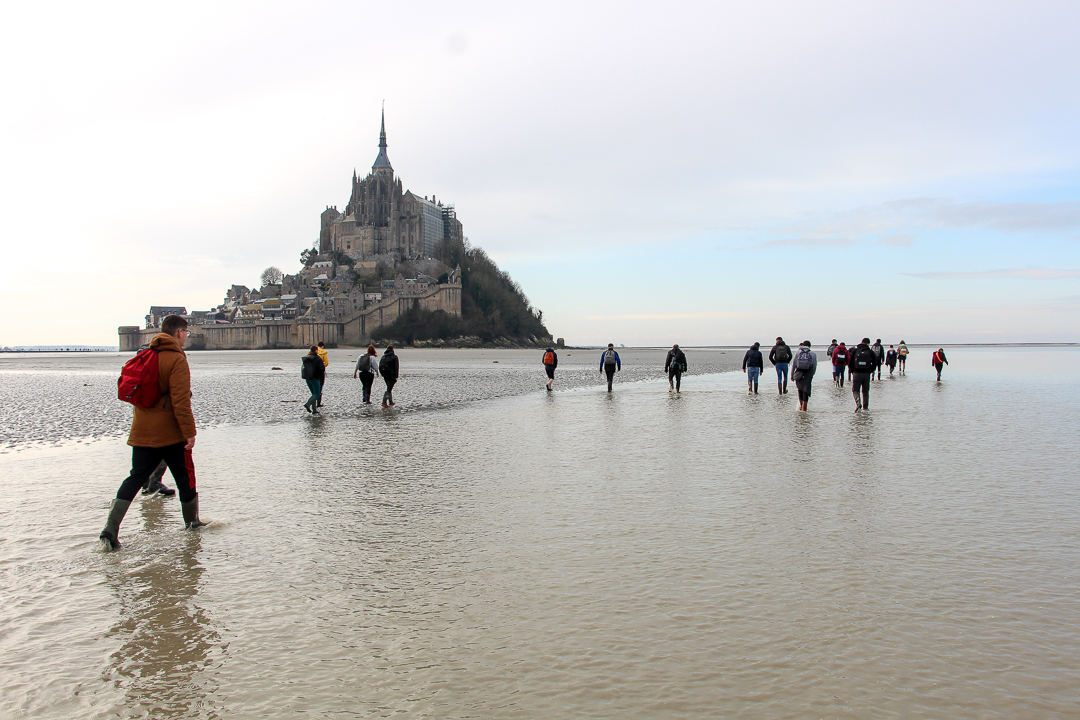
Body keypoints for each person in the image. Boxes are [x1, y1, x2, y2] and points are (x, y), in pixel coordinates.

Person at [99, 315, 206, 550]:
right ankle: (192, 524)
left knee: (135, 477)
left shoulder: (144, 355)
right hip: (171, 432)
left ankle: (110, 529)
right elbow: (180, 400)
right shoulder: (176, 359)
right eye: (186, 332)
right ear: (179, 333)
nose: (187, 336)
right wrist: (189, 432)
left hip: (142, 430)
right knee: (185, 478)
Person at [849, 337, 876, 412]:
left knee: (855, 390)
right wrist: (870, 371)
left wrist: (853, 371)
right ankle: (865, 407)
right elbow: (874, 364)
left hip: (856, 373)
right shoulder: (870, 352)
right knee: (865, 391)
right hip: (866, 374)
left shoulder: (855, 351)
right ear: (868, 343)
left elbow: (850, 363)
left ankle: (858, 404)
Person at [791, 341, 817, 411]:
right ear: (809, 346)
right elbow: (814, 366)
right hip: (808, 373)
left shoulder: (798, 352)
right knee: (806, 390)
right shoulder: (813, 354)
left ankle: (801, 406)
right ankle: (804, 408)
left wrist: (792, 375)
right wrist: (812, 374)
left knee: (800, 389)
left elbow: (794, 364)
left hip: (799, 372)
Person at [301, 346, 324, 414]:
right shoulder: (317, 358)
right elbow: (322, 369)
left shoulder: (307, 358)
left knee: (313, 394)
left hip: (308, 378)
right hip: (315, 378)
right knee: (317, 394)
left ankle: (314, 410)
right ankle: (307, 404)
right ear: (316, 350)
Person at [316, 341, 329, 407]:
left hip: (312, 371)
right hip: (320, 371)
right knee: (320, 386)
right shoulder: (323, 352)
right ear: (322, 346)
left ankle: (313, 402)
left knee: (314, 387)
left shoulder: (312, 352)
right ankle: (318, 402)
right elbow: (326, 363)